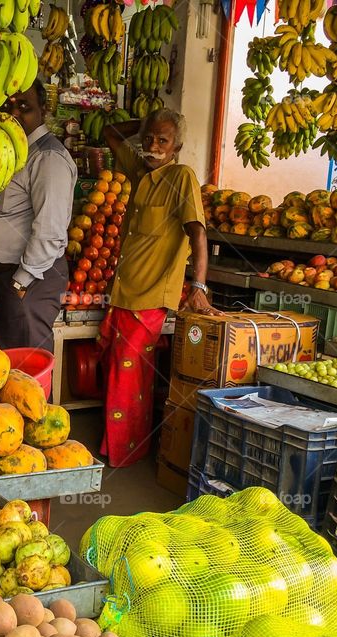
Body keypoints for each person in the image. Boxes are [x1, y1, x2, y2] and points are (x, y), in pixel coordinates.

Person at [98, 108, 221, 468]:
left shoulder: (182, 177)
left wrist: (198, 285)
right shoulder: (139, 171)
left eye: (162, 140)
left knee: (128, 378)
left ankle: (124, 453)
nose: (153, 145)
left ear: (177, 146)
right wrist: (144, 125)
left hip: (150, 294)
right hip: (122, 291)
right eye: (150, 138)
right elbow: (109, 133)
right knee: (116, 373)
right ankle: (114, 445)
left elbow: (197, 232)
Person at [0, 79, 77, 353]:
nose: (16, 113)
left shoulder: (48, 158)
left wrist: (21, 282)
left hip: (32, 279)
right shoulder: (17, 152)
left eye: (25, 106)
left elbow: (50, 229)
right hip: (15, 277)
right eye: (9, 106)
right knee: (13, 365)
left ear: (43, 110)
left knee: (27, 369)